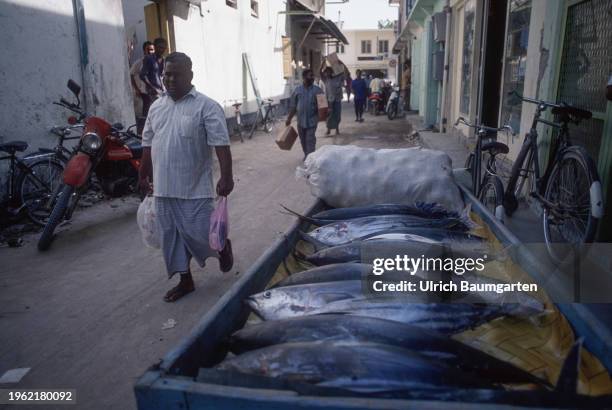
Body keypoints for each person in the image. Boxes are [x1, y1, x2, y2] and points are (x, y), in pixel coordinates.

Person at [139, 52, 234, 303]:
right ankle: (186, 280)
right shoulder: (156, 107)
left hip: (195, 188)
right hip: (163, 189)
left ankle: (222, 246)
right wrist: (142, 175)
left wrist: (227, 177)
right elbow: (147, 143)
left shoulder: (206, 106)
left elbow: (221, 144)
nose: (170, 79)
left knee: (203, 234)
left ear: (190, 75)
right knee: (171, 239)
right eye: (166, 74)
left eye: (176, 74)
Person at [285, 69, 324, 159]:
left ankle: (310, 158)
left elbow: (323, 106)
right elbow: (293, 106)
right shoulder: (297, 90)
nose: (312, 78)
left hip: (312, 121)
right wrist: (289, 119)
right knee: (303, 140)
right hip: (301, 121)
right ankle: (307, 154)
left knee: (310, 140)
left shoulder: (317, 90)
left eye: (313, 76)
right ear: (304, 77)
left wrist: (325, 113)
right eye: (310, 76)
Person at [130, 41, 155, 133]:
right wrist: (136, 89)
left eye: (152, 50)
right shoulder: (139, 63)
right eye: (148, 50)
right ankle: (141, 134)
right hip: (141, 94)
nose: (150, 52)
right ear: (144, 51)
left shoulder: (156, 63)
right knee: (142, 116)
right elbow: (131, 75)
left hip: (153, 94)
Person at [140, 37, 167, 112]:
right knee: (158, 112)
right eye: (160, 47)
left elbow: (163, 75)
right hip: (153, 92)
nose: (162, 50)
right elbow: (142, 75)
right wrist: (152, 88)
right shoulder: (148, 58)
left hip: (163, 90)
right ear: (155, 47)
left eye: (164, 48)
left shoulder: (164, 59)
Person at [320, 62, 346, 136]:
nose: (327, 73)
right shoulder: (326, 80)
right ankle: (328, 129)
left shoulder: (338, 78)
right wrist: (322, 65)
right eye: (326, 72)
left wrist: (341, 63)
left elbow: (344, 72)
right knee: (329, 115)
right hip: (329, 100)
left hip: (337, 100)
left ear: (332, 72)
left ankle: (337, 129)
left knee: (337, 114)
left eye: (328, 72)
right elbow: (320, 73)